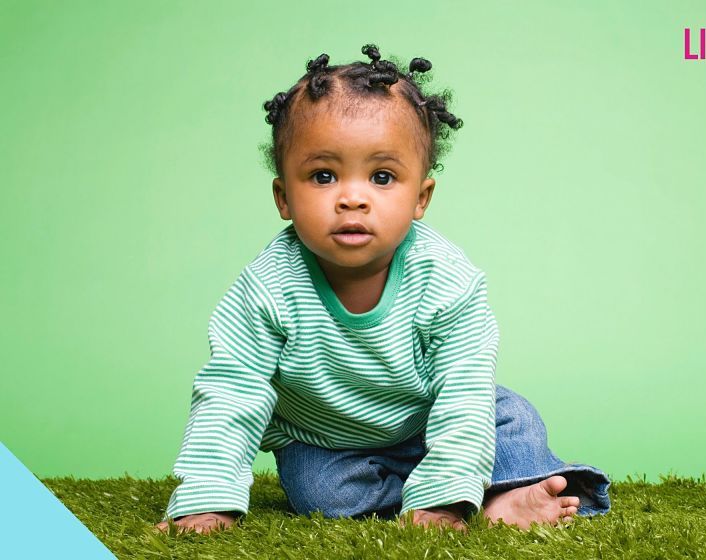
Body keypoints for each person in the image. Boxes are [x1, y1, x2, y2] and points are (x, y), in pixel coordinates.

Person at [155, 44, 610, 536]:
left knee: (511, 418)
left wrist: (445, 476)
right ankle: (459, 492)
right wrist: (207, 498)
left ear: (421, 197)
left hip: (430, 416)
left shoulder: (446, 278)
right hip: (328, 440)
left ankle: (503, 489)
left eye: (382, 177)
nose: (353, 197)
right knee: (319, 492)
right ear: (284, 197)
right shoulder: (267, 288)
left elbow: (462, 390)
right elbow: (231, 392)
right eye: (324, 175)